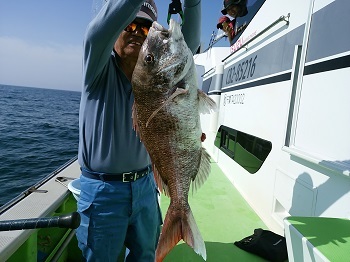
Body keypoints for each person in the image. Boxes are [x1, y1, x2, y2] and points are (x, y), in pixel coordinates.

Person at [76, 0, 201, 261]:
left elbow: (186, 46)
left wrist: (193, 4)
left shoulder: (159, 80)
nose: (135, 31)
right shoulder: (97, 71)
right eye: (127, 24)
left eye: (144, 28)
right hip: (102, 192)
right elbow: (98, 31)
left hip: (145, 186)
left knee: (145, 256)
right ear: (114, 31)